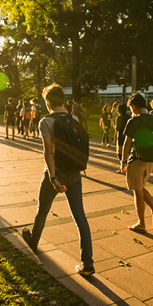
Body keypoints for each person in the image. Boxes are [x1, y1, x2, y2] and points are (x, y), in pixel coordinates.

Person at [21, 83, 94, 276]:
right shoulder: (75, 118)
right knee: (80, 217)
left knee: (42, 210)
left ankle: (34, 242)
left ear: (47, 101)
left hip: (56, 173)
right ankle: (87, 263)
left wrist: (53, 178)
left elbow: (48, 152)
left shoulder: (46, 122)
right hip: (75, 174)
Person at [121, 93, 153, 233]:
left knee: (137, 192)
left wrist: (123, 161)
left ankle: (141, 223)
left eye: (131, 108)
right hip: (150, 159)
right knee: (140, 188)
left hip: (137, 160)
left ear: (134, 106)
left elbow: (127, 144)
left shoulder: (133, 121)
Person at [114, 104, 130, 174]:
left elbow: (117, 128)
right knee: (128, 152)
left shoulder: (119, 118)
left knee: (120, 153)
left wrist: (114, 126)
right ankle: (128, 166)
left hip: (120, 136)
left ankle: (123, 167)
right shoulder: (129, 117)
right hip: (128, 136)